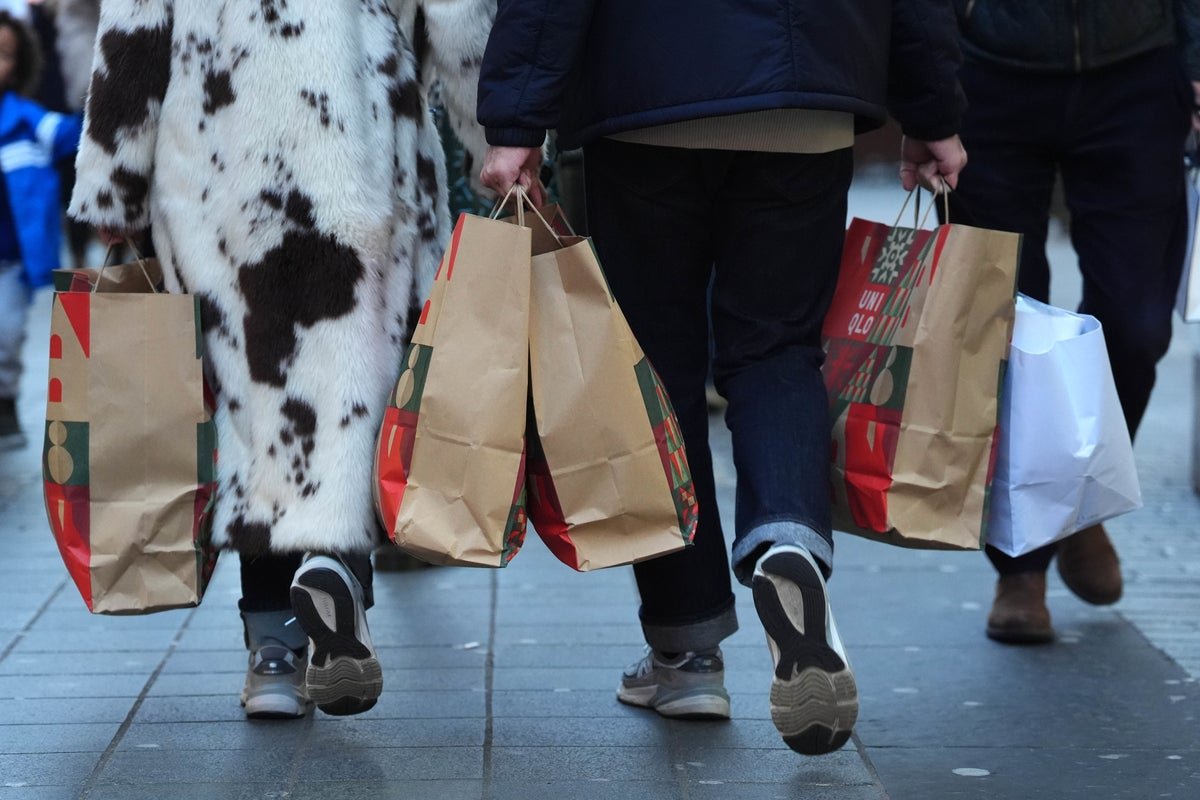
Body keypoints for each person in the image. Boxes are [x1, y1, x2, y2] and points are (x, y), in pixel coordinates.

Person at [477, 0, 967, 756]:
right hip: (806, 95)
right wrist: (933, 110)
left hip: (646, 94)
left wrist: (516, 120)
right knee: (778, 349)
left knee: (657, 366)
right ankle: (787, 545)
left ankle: (687, 653)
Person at [70, 0, 493, 719]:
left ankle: (272, 650)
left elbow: (134, 29)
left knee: (253, 401)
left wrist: (112, 182)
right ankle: (337, 565)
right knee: (353, 388)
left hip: (215, 165)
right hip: (363, 146)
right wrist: (494, 139)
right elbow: (459, 21)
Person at [945, 0, 1199, 644]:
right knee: (1004, 326)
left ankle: (1080, 499)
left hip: (1138, 71)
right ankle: (1020, 567)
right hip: (990, 69)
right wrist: (925, 86)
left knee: (1137, 324)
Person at [0, 9, 80, 451]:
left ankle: (6, 400)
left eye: (3, 53)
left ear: (18, 66)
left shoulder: (26, 121)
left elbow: (71, 133)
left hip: (9, 262)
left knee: (6, 334)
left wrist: (98, 101)